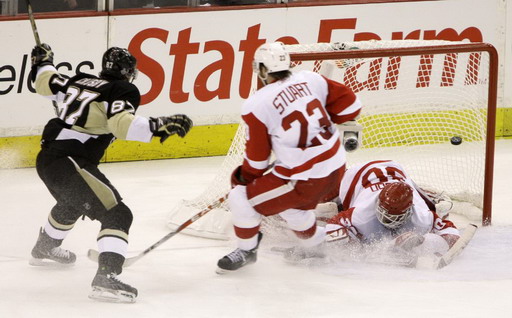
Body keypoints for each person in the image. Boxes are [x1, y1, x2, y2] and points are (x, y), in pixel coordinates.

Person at [28, 43, 193, 303]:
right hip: (69, 161)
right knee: (117, 213)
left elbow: (44, 81)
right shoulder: (122, 89)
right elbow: (121, 124)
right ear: (128, 71)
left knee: (73, 202)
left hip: (48, 159)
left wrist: (42, 61)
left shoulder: (80, 80)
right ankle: (106, 277)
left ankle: (45, 247)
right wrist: (160, 125)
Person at [216, 42, 362, 273]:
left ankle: (247, 250)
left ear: (262, 69)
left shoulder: (256, 104)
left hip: (304, 178)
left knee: (240, 197)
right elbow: (351, 106)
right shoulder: (310, 79)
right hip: (335, 167)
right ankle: (317, 245)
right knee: (292, 207)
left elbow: (257, 161)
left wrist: (243, 179)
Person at [323, 160, 460, 259]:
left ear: (409, 210)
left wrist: (428, 242)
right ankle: (426, 193)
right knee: (318, 200)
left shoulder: (422, 215)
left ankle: (427, 195)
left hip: (396, 172)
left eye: (394, 217)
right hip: (355, 175)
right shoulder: (362, 213)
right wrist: (355, 247)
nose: (387, 219)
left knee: (433, 208)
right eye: (384, 214)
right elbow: (334, 224)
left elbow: (452, 234)